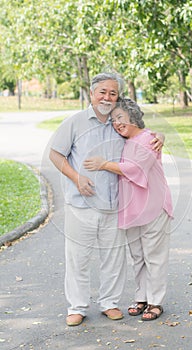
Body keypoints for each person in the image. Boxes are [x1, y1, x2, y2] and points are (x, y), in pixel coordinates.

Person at [49, 73, 164, 327]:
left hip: (114, 204)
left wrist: (160, 136)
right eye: (102, 91)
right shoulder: (75, 122)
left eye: (113, 93)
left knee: (113, 258)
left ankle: (109, 303)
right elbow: (55, 154)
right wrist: (77, 177)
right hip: (81, 204)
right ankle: (77, 307)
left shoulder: (118, 123)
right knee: (78, 257)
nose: (107, 97)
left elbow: (142, 135)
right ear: (92, 93)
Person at [84, 97, 173, 322]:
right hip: (132, 208)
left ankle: (156, 301)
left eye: (120, 118)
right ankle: (142, 297)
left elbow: (135, 168)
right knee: (138, 256)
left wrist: (103, 164)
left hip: (154, 206)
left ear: (133, 117)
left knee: (154, 255)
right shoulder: (124, 140)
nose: (116, 124)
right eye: (113, 120)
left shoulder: (149, 139)